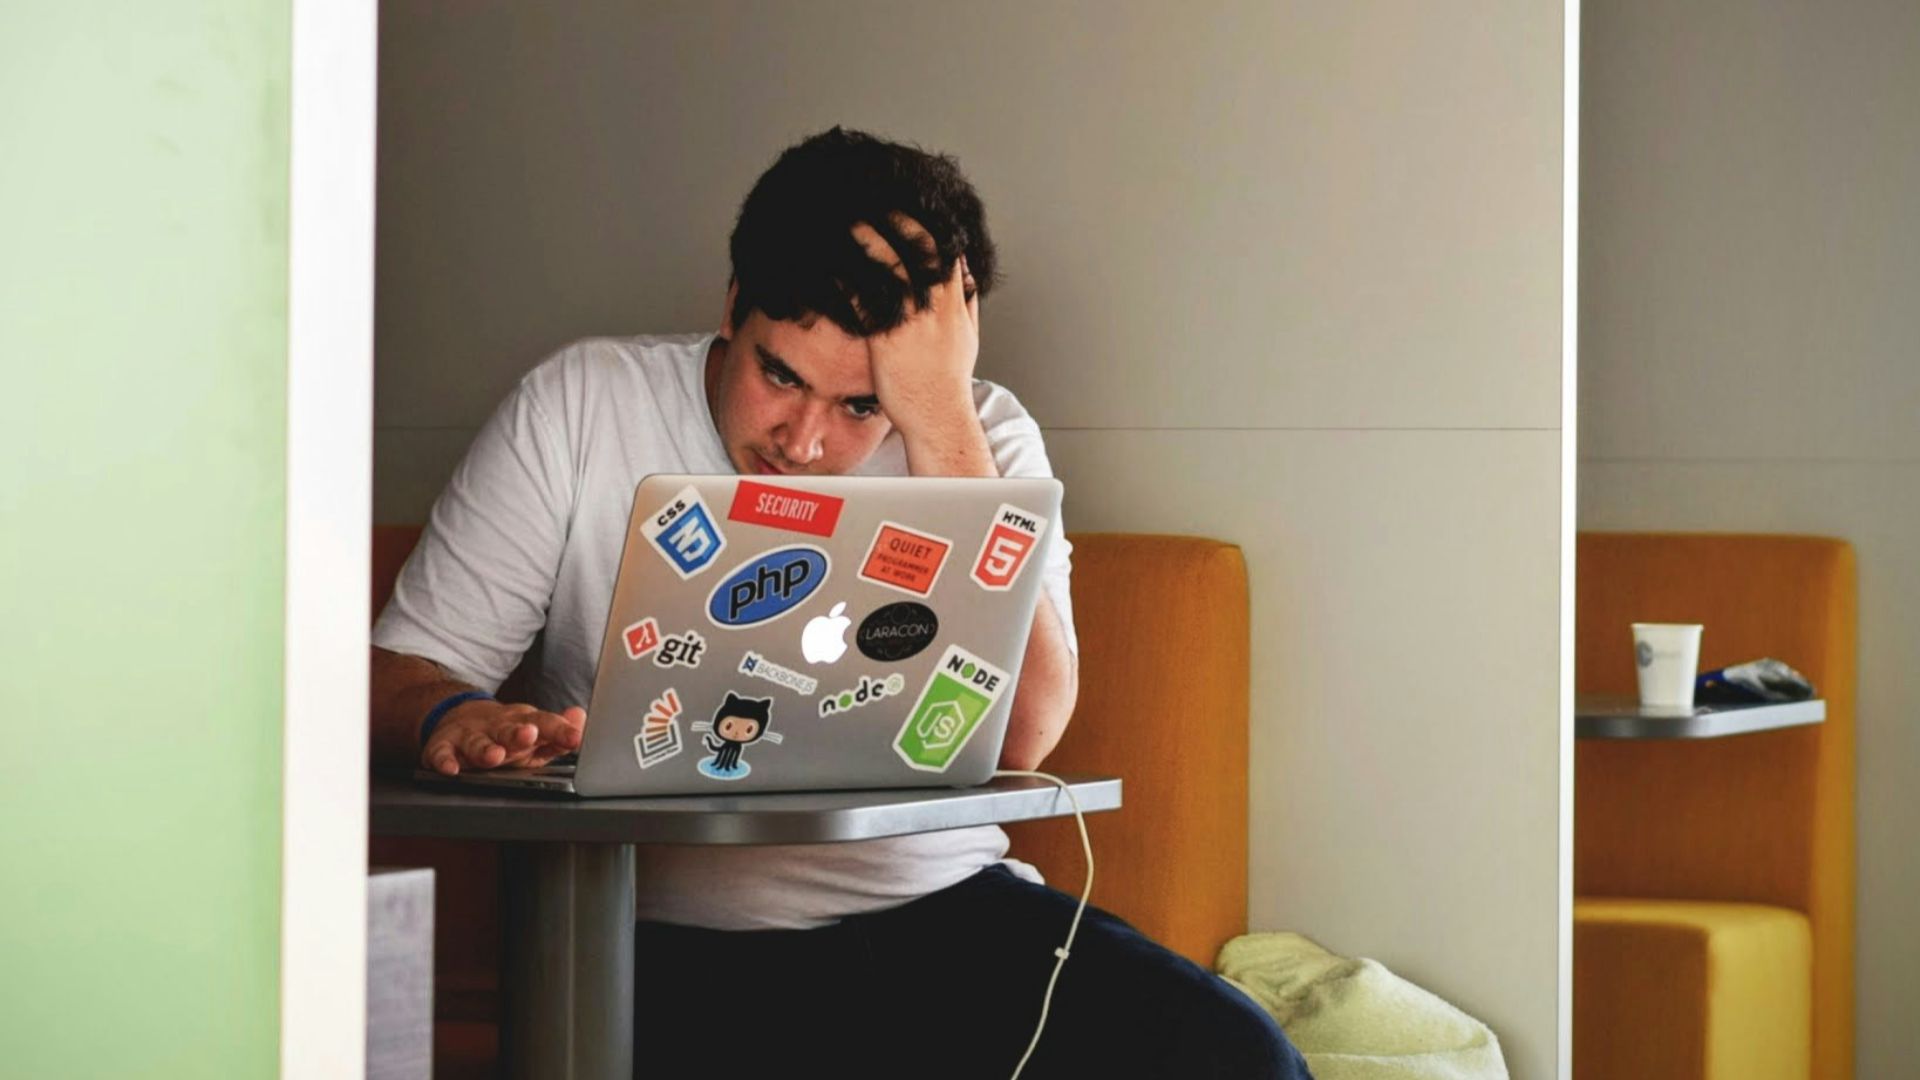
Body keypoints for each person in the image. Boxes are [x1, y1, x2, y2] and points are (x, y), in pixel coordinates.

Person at [368, 127, 1311, 1080]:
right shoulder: (581, 405)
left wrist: (938, 418)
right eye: (779, 374)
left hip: (943, 910)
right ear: (734, 306)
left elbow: (1026, 733)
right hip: (659, 940)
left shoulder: (982, 435)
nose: (804, 441)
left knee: (1244, 1063)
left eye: (862, 406)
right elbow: (395, 675)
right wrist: (457, 716)